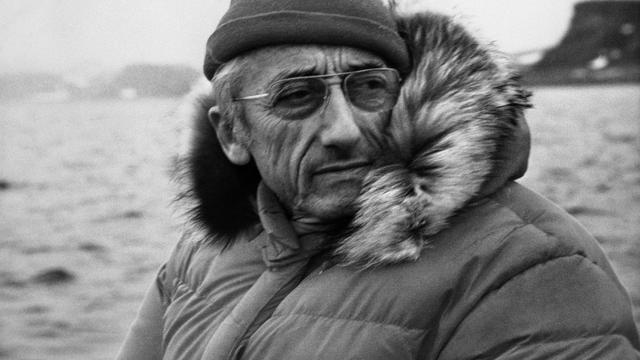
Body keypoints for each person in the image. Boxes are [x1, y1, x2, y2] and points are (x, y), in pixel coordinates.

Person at [117, 0, 640, 359]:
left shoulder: (525, 267)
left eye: (368, 87)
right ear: (232, 132)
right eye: (297, 96)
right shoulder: (199, 254)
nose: (344, 129)